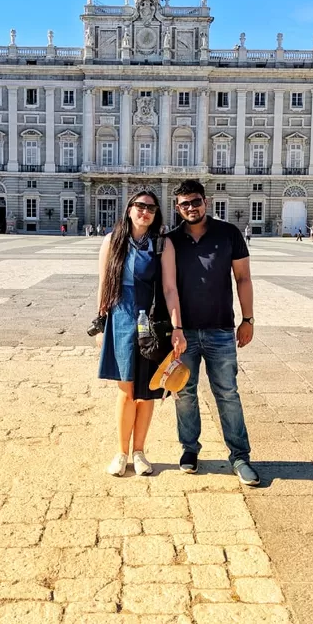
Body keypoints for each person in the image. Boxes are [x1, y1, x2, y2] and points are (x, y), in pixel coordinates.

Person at [168, 179, 259, 486]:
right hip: (185, 333)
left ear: (205, 201)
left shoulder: (229, 233)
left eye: (195, 202)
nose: (191, 208)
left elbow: (243, 278)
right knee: (184, 394)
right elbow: (166, 289)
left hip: (221, 329)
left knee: (228, 394)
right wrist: (174, 329)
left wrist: (248, 319)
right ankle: (190, 450)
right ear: (177, 208)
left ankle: (239, 456)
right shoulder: (171, 240)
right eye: (184, 204)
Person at [97, 191, 186, 477]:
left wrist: (177, 328)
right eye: (139, 206)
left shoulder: (162, 244)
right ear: (129, 209)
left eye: (150, 207)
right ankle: (122, 452)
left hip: (151, 322)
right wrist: (100, 323)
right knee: (126, 391)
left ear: (156, 213)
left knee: (147, 393)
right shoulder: (112, 241)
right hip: (121, 319)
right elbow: (104, 285)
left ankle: (140, 451)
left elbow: (171, 289)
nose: (144, 211)